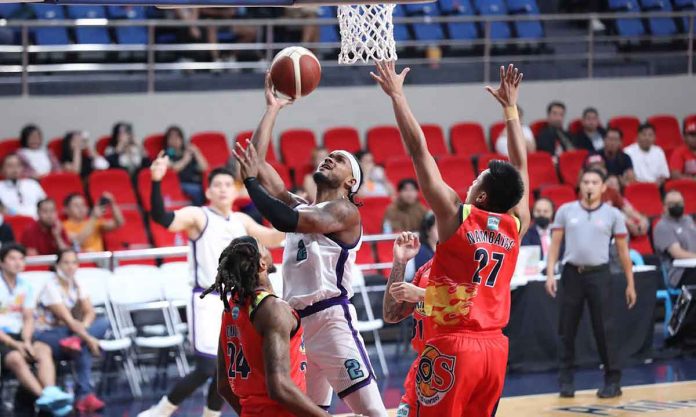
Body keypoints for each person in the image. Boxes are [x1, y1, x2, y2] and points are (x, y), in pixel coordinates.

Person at [373, 62, 529, 416]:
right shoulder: (516, 223)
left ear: (484, 197)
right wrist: (510, 111)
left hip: (453, 346)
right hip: (495, 350)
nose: (471, 181)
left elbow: (420, 152)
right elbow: (521, 168)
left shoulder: (458, 217)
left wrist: (398, 97)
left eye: (478, 179)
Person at [233, 72, 387, 417]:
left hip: (331, 321)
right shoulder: (303, 206)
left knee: (373, 413)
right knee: (311, 413)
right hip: (296, 325)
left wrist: (251, 182)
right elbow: (256, 163)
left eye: (339, 159)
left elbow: (283, 218)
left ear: (351, 182)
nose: (329, 158)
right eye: (328, 155)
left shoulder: (344, 212)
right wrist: (272, 109)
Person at [137, 158, 284, 417]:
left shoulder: (241, 220)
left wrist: (292, 213)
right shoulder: (199, 215)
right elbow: (162, 217)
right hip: (206, 299)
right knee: (206, 366)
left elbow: (275, 237)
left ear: (236, 190)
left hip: (235, 301)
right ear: (208, 191)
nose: (223, 189)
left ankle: (210, 415)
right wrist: (157, 180)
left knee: (226, 366)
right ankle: (160, 411)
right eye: (217, 185)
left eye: (228, 184)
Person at [207, 236, 330, 417]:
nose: (267, 247)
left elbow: (224, 386)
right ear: (262, 264)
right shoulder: (273, 310)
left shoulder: (230, 308)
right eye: (263, 247)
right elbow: (279, 387)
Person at [545, 168, 637, 399]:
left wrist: (630, 283)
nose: (589, 186)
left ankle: (612, 381)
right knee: (566, 329)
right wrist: (549, 274)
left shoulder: (613, 214)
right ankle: (565, 381)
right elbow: (555, 245)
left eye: (595, 182)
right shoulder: (566, 211)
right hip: (572, 274)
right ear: (580, 184)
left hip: (600, 274)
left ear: (604, 187)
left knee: (604, 330)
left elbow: (623, 252)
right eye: (585, 181)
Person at [0, 243, 74, 416]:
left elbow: (28, 317)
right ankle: (46, 400)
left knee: (42, 349)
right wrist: (15, 344)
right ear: (2, 263)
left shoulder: (26, 286)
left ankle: (50, 392)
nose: (17, 263)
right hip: (3, 337)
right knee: (16, 358)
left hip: (19, 333)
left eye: (21, 259)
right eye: (12, 259)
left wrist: (25, 340)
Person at [34, 249, 109, 413]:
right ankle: (84, 396)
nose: (70, 267)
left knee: (103, 322)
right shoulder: (50, 286)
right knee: (82, 345)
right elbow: (67, 319)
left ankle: (84, 396)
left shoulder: (77, 283)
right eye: (66, 262)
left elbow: (90, 312)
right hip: (48, 335)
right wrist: (89, 339)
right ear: (57, 265)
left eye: (74, 262)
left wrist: (85, 330)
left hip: (71, 334)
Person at [382, 231, 432, 417]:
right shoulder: (426, 269)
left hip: (450, 363)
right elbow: (391, 314)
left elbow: (470, 305)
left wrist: (422, 294)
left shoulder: (464, 267)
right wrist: (400, 262)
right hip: (422, 365)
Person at [653, 190, 696, 288]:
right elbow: (677, 253)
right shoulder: (662, 226)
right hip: (678, 273)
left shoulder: (688, 220)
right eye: (673, 204)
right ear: (664, 206)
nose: (677, 206)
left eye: (680, 203)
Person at [164, 125, 209, 206]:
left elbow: (205, 167)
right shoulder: (166, 154)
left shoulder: (187, 151)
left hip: (195, 181)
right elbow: (174, 169)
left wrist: (197, 152)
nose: (174, 141)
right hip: (180, 183)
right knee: (198, 190)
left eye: (177, 137)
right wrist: (185, 159)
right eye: (171, 138)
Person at [0, 154, 47, 218]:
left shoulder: (33, 184)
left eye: (18, 165)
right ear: (2, 169)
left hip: (37, 222)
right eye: (10, 166)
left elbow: (46, 205)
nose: (15, 169)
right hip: (13, 223)